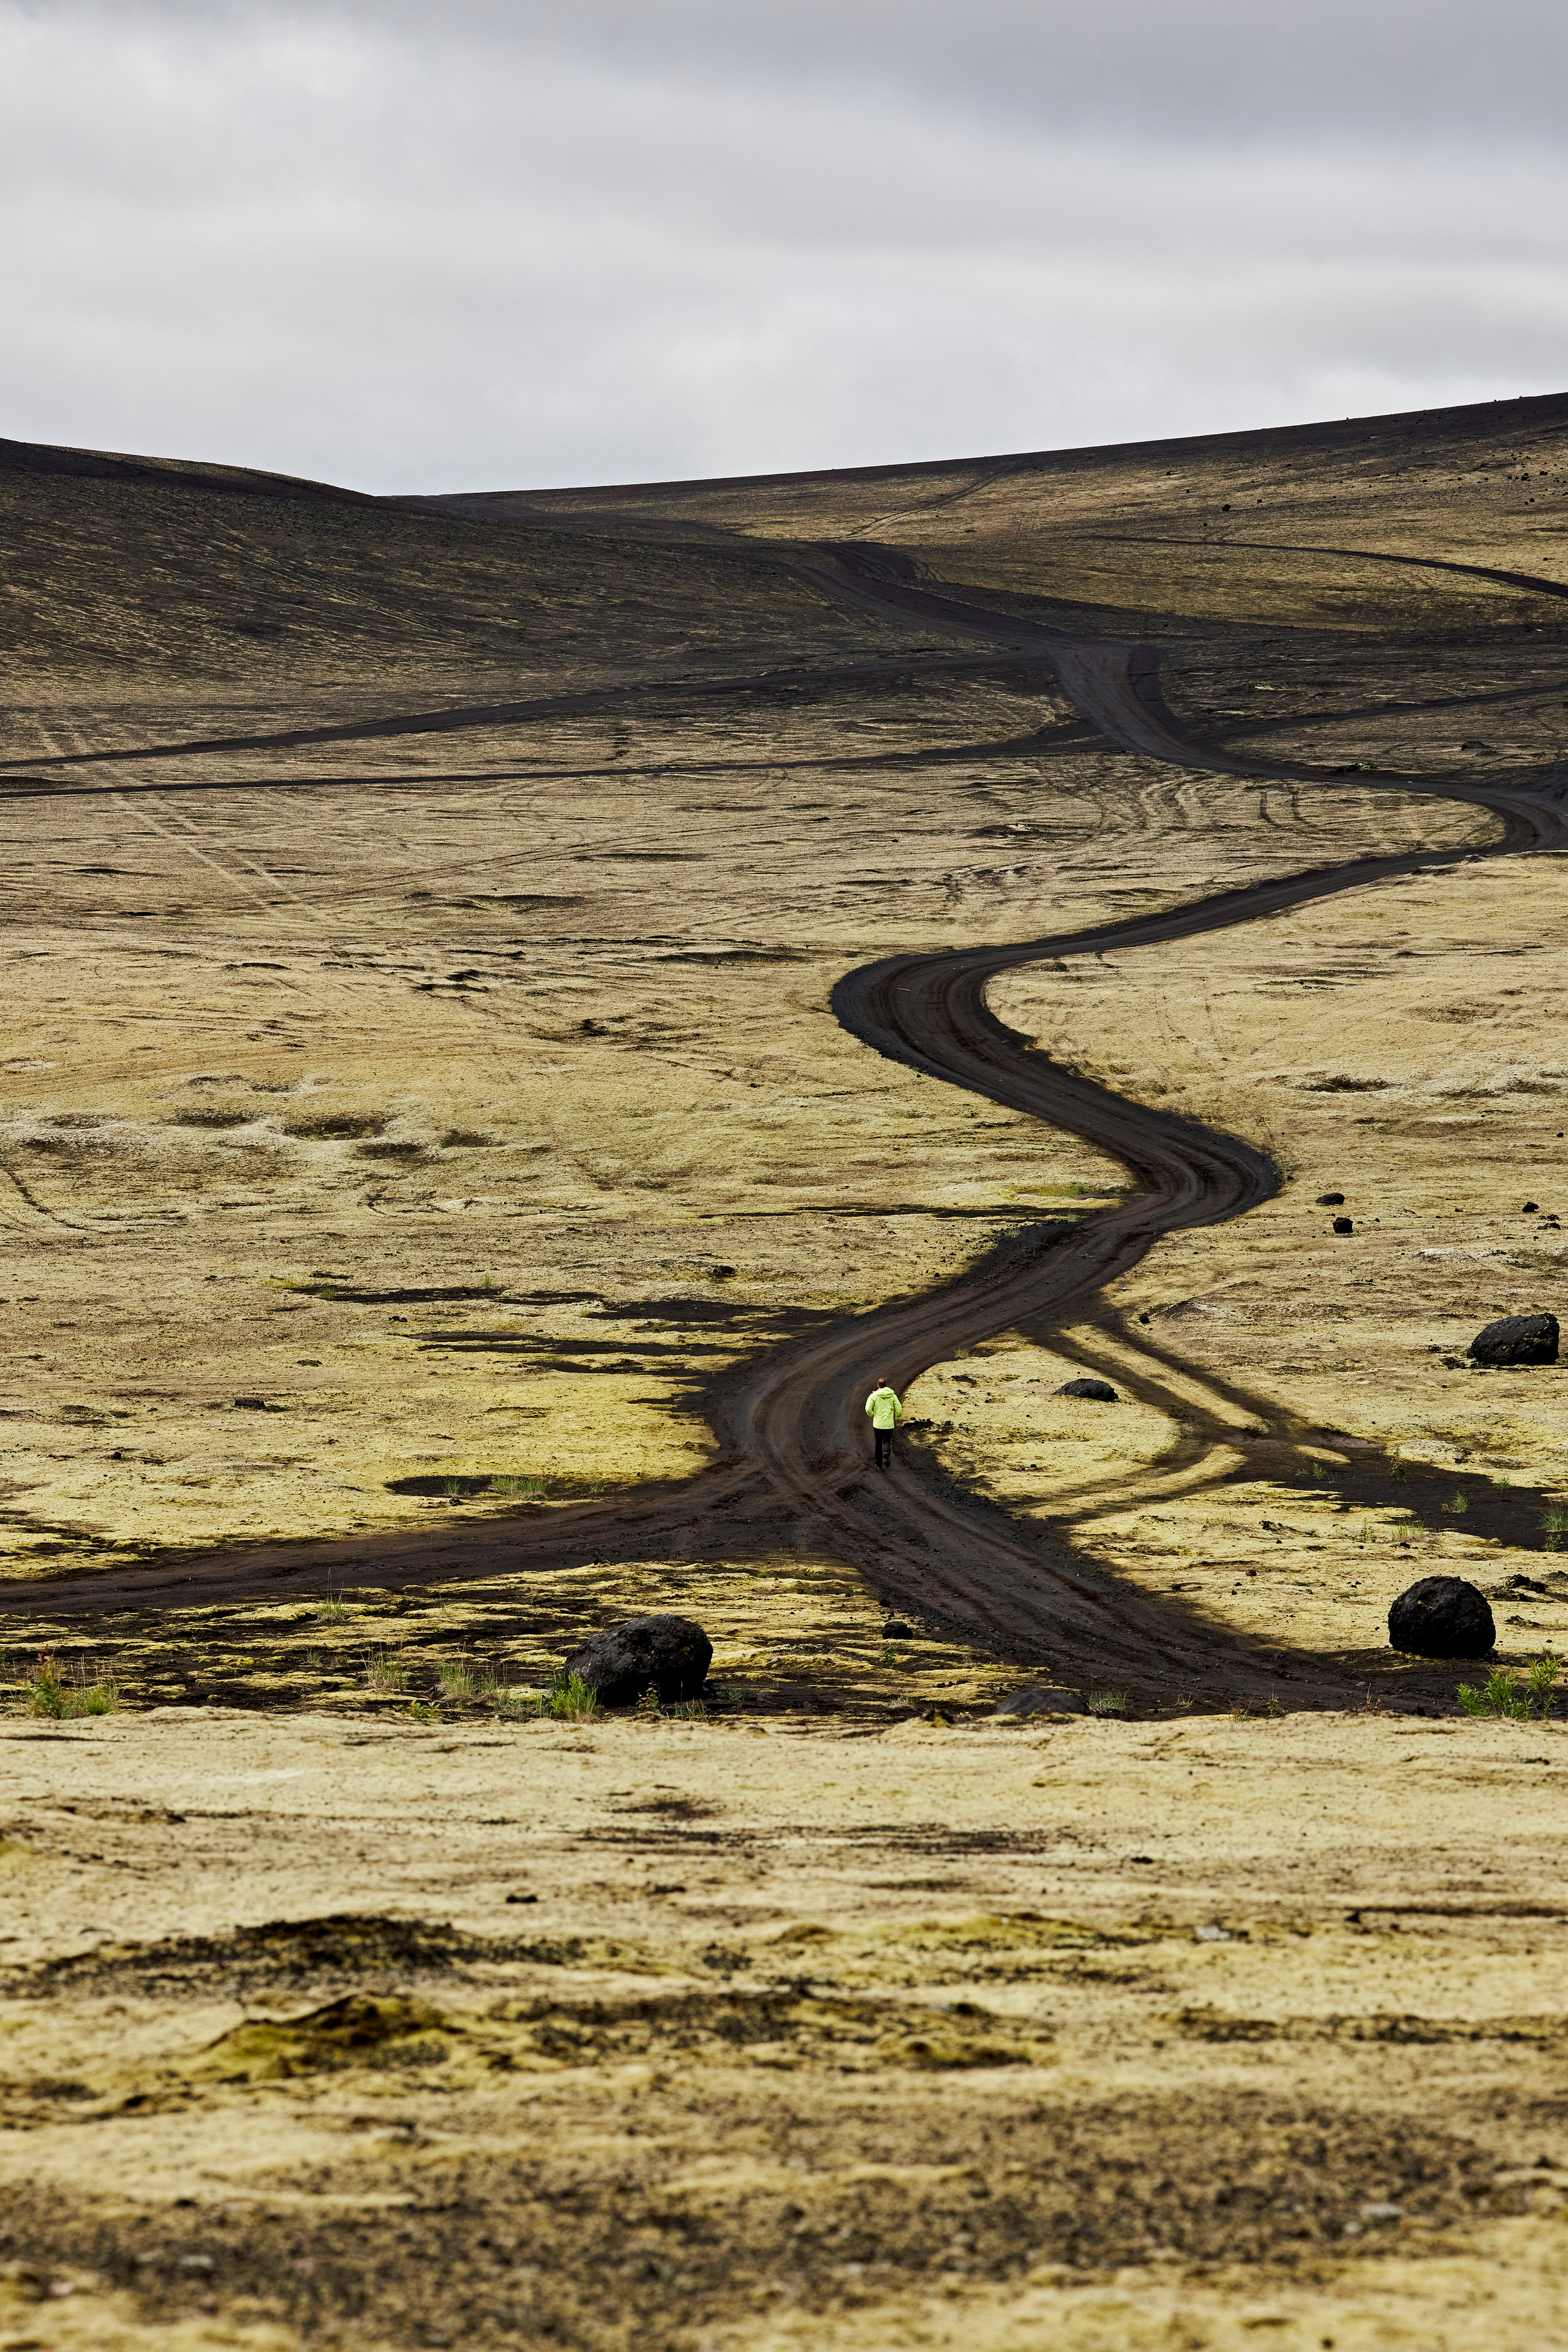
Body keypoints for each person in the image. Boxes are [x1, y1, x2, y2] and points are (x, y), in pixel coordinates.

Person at [864, 1375, 903, 1469]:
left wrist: (873, 1415)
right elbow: (899, 1408)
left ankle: (879, 1463)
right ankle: (886, 1453)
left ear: (878, 1386)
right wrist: (897, 1417)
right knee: (886, 1441)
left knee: (878, 1443)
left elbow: (868, 1408)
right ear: (886, 1385)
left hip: (878, 1424)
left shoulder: (873, 1396)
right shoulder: (893, 1396)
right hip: (889, 1424)